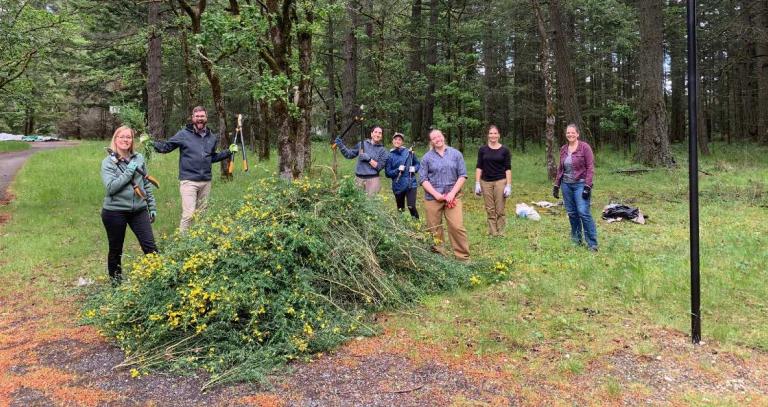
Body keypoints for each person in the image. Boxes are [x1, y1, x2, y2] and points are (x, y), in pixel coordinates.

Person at [150, 106, 237, 232]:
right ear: (192, 118)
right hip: (189, 181)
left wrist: (228, 152)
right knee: (189, 215)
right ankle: (182, 242)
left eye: (202, 116)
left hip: (206, 181)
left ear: (206, 117)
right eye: (197, 116)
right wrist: (150, 143)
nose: (200, 119)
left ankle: (198, 240)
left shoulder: (211, 137)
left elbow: (211, 158)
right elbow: (166, 147)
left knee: (202, 215)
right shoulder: (183, 134)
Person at [100, 126, 158, 283]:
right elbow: (111, 188)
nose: (125, 140)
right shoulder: (108, 162)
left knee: (150, 247)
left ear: (132, 140)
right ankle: (116, 285)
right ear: (115, 139)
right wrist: (128, 172)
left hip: (139, 210)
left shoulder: (139, 158)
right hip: (114, 211)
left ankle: (160, 281)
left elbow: (146, 184)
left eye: (129, 137)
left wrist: (151, 206)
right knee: (116, 250)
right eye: (122, 137)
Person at [419, 129, 470, 260]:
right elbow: (423, 179)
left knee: (457, 226)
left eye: (439, 136)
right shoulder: (426, 158)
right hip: (433, 198)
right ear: (431, 141)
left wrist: (452, 193)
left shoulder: (456, 154)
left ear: (443, 137)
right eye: (434, 138)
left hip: (453, 197)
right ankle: (439, 257)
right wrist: (436, 194)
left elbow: (462, 175)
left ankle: (463, 257)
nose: (437, 139)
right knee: (434, 228)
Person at [552, 123, 598, 251]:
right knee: (572, 213)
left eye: (573, 132)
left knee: (583, 212)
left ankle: (592, 243)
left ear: (577, 134)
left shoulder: (585, 147)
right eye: (568, 132)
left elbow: (590, 167)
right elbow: (560, 168)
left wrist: (587, 186)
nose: (570, 134)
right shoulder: (563, 149)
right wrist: (556, 185)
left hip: (580, 184)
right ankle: (577, 240)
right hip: (566, 185)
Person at [474, 125, 512, 236]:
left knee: (500, 209)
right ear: (488, 135)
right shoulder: (482, 150)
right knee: (490, 208)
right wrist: (477, 183)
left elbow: (508, 168)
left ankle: (501, 231)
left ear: (499, 135)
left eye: (495, 133)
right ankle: (492, 232)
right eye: (491, 133)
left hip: (500, 181)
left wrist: (508, 185)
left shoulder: (505, 150)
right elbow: (479, 166)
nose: (493, 135)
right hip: (485, 182)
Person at [335, 126, 389, 196]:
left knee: (370, 202)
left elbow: (379, 167)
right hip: (358, 179)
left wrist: (369, 159)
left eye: (380, 133)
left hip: (373, 181)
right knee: (357, 201)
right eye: (375, 132)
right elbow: (349, 155)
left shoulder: (383, 151)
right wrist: (341, 145)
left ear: (381, 136)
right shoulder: (362, 144)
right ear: (371, 134)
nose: (377, 134)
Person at [384, 132, 420, 218]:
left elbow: (417, 164)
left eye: (399, 140)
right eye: (395, 139)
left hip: (411, 184)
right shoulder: (389, 156)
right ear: (392, 141)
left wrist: (414, 168)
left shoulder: (409, 152)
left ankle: (416, 224)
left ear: (402, 142)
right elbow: (387, 173)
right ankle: (402, 224)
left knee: (411, 206)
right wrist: (397, 170)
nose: (397, 141)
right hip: (398, 186)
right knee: (400, 209)